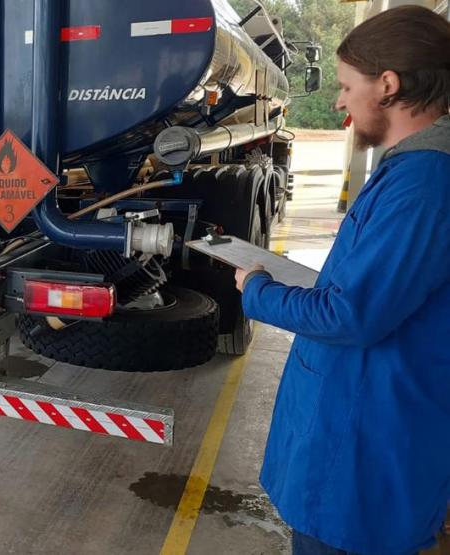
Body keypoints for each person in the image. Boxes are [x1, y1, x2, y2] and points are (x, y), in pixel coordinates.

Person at [234, 6, 450, 554]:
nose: (339, 102)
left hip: (362, 454)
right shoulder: (412, 169)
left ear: (388, 85)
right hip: (368, 425)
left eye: (347, 86)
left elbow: (351, 315)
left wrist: (256, 288)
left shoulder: (423, 183)